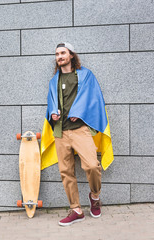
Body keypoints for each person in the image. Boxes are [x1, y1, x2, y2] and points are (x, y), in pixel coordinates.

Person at [40, 42, 114, 226]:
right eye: (57, 54)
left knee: (91, 166)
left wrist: (78, 111)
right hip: (60, 131)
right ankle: (76, 209)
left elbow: (93, 98)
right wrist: (53, 113)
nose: (59, 56)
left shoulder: (85, 75)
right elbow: (51, 103)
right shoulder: (53, 81)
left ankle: (95, 196)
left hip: (80, 130)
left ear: (71, 55)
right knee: (66, 172)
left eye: (63, 53)